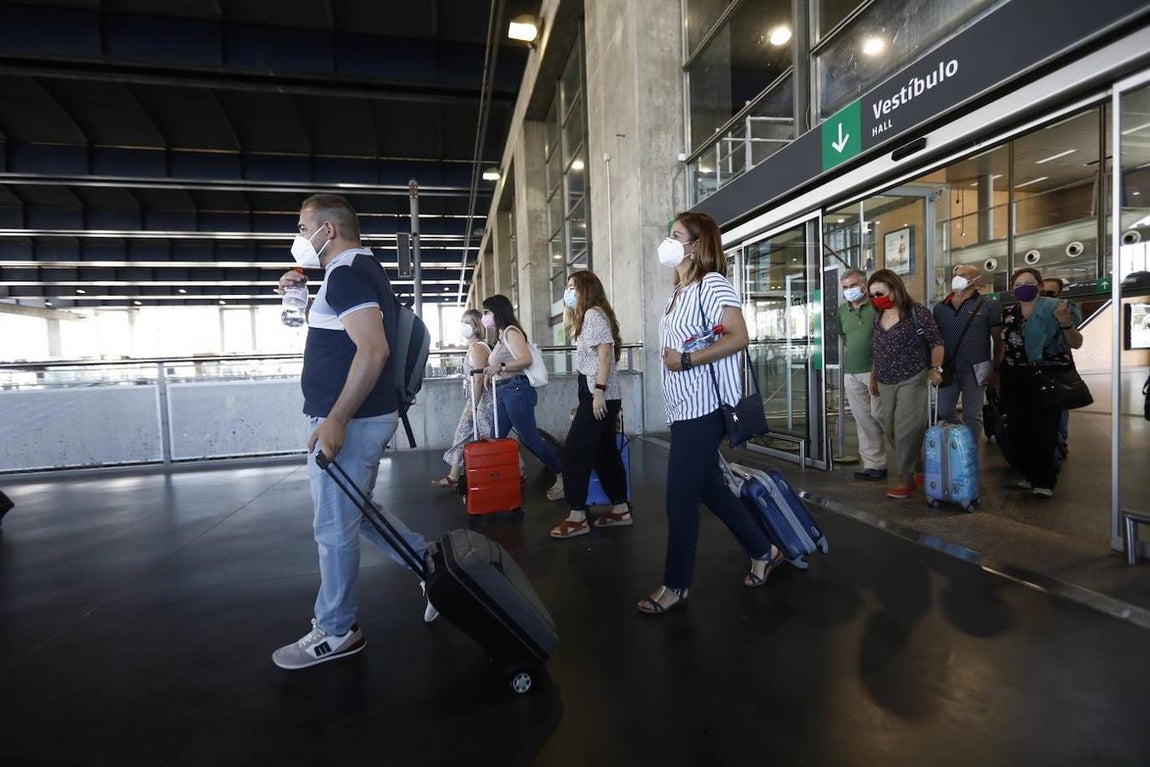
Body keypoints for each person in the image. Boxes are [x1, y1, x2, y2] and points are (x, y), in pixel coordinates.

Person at [272, 194, 436, 671]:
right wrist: (298, 297)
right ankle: (429, 566)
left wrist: (337, 418)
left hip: (354, 420)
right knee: (356, 514)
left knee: (333, 528)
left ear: (328, 229)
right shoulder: (358, 270)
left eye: (303, 228)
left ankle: (337, 629)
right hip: (363, 416)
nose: (299, 237)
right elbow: (344, 339)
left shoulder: (346, 274)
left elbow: (373, 350)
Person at [637, 211, 780, 615]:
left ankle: (675, 584)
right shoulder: (677, 292)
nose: (668, 242)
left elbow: (739, 336)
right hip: (683, 406)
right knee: (709, 488)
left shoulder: (712, 284)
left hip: (706, 407)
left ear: (697, 245)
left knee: (679, 495)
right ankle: (762, 549)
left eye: (676, 235)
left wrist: (688, 359)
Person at [550, 271, 632, 539]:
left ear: (586, 289)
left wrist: (598, 392)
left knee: (575, 451)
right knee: (604, 453)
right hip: (600, 392)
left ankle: (577, 516)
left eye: (573, 287)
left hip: (599, 392)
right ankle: (621, 509)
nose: (569, 292)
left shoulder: (593, 315)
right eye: (567, 287)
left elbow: (605, 354)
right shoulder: (590, 316)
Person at [995, 267, 1083, 498]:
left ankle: (1044, 480)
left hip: (1045, 375)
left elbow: (1076, 342)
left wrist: (1065, 323)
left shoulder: (1057, 309)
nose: (1022, 287)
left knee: (1044, 429)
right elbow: (1005, 345)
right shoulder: (1008, 313)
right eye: (1017, 285)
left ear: (1040, 285)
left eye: (1028, 282)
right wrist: (997, 371)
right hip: (1014, 375)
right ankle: (1028, 474)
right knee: (1017, 429)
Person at [867, 268, 945, 500]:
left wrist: (935, 369)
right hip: (885, 380)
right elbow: (878, 350)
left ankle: (905, 478)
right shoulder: (878, 317)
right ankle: (917, 467)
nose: (875, 298)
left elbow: (936, 343)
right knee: (889, 425)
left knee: (905, 429)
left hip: (912, 377)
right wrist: (873, 377)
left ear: (894, 289)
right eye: (871, 295)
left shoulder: (916, 312)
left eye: (879, 292)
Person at [480, 294, 565, 500]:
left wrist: (499, 367)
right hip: (504, 390)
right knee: (496, 438)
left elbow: (525, 359)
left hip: (516, 390)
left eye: (487, 312)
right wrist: (491, 373)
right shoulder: (500, 337)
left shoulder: (510, 332)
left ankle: (564, 474)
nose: (485, 317)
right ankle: (504, 478)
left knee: (529, 437)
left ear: (497, 312)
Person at [931, 263, 1002, 439]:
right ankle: (964, 438)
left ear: (976, 280)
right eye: (956, 274)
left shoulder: (988, 306)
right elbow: (935, 340)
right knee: (944, 410)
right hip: (949, 367)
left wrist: (997, 368)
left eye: (963, 274)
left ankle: (970, 454)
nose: (958, 278)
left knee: (973, 413)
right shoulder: (940, 308)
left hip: (977, 368)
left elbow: (998, 339)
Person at [432, 309, 494, 490]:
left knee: (489, 437)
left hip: (482, 401)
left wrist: (472, 408)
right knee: (471, 435)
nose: (463, 326)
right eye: (462, 322)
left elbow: (479, 378)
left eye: (468, 322)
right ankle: (454, 476)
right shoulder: (474, 348)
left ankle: (517, 471)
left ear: (476, 327)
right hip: (478, 400)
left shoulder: (478, 347)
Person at [837, 268, 886, 481]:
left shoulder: (877, 307)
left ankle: (909, 462)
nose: (849, 291)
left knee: (882, 416)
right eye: (845, 287)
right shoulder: (841, 312)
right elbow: (844, 338)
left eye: (853, 286)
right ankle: (874, 464)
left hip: (878, 371)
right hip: (852, 372)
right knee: (863, 419)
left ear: (864, 285)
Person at [1041, 276, 1072, 460]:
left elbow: (1075, 341)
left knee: (1060, 412)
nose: (1045, 296)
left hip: (1058, 371)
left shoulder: (1066, 312)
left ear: (1060, 295)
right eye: (1042, 292)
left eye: (1050, 293)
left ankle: (1059, 448)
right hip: (1034, 370)